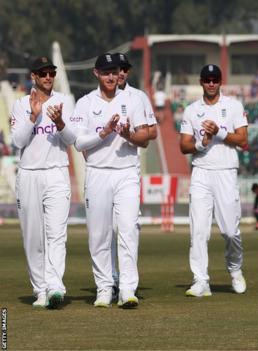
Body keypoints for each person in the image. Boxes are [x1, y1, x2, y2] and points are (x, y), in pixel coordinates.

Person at [72, 53, 150, 308]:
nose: (110, 77)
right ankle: (104, 287)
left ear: (119, 74)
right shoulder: (85, 103)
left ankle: (127, 289)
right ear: (96, 73)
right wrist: (104, 132)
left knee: (128, 229)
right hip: (97, 172)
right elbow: (79, 142)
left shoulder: (132, 99)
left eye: (114, 72)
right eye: (105, 72)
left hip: (126, 171)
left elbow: (145, 139)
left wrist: (128, 134)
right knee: (99, 234)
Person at [10, 56, 76, 309]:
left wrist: (59, 122)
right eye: (43, 73)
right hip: (29, 174)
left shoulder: (65, 101)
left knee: (57, 234)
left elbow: (71, 139)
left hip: (57, 172)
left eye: (51, 73)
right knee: (33, 237)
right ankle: (40, 289)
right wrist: (33, 116)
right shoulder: (20, 104)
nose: (48, 77)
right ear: (33, 77)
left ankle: (55, 288)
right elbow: (18, 141)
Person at [179, 64, 248, 297]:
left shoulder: (233, 106)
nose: (211, 83)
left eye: (215, 79)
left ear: (220, 81)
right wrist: (202, 143)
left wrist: (218, 132)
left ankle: (235, 269)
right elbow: (183, 146)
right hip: (201, 172)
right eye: (207, 79)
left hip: (226, 171)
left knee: (230, 230)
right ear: (201, 82)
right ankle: (200, 280)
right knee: (198, 230)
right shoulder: (191, 110)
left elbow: (242, 139)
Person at [109, 52, 159, 299]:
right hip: (103, 168)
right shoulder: (99, 97)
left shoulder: (138, 96)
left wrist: (132, 132)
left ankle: (128, 280)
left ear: (128, 72)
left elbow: (152, 132)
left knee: (126, 227)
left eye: (124, 70)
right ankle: (111, 278)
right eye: (116, 69)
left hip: (128, 166)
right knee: (106, 228)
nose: (119, 73)